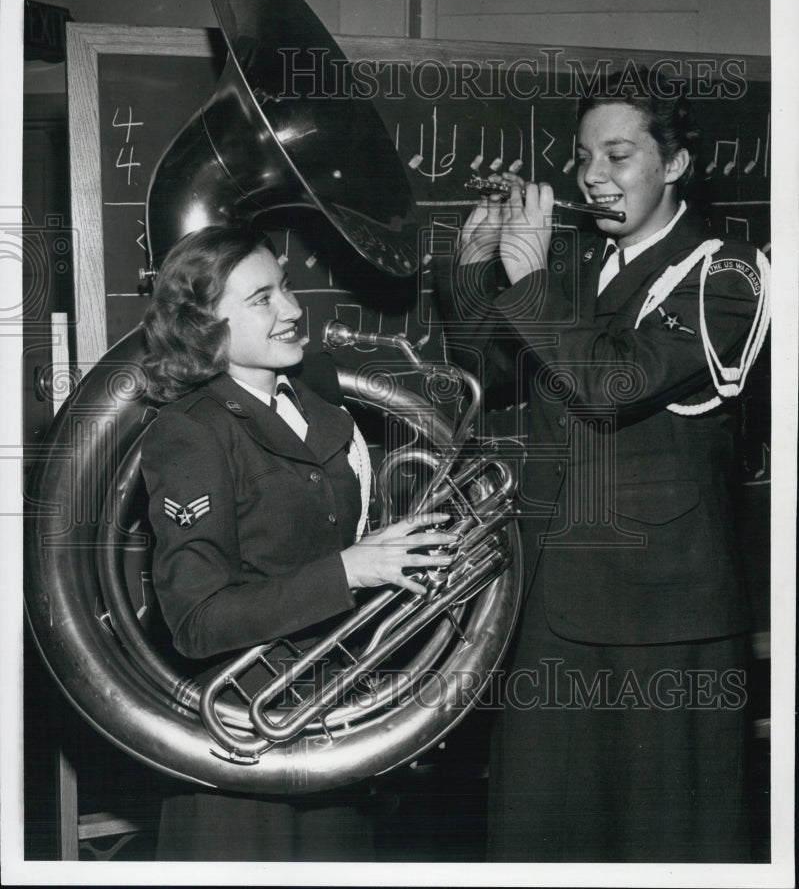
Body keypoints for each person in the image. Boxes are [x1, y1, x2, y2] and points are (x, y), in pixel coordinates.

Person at [433, 74, 770, 862]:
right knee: (543, 841)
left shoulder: (732, 274)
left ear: (676, 163)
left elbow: (609, 385)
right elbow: (487, 375)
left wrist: (531, 280)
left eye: (618, 155)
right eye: (583, 157)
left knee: (666, 846)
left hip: (663, 624)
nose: (591, 177)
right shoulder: (580, 269)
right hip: (552, 602)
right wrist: (472, 266)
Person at [139, 226, 456, 861]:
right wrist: (351, 571)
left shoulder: (314, 396)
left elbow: (330, 531)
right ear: (206, 326)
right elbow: (197, 623)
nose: (291, 308)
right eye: (262, 298)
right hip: (246, 738)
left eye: (285, 287)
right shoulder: (189, 434)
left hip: (336, 720)